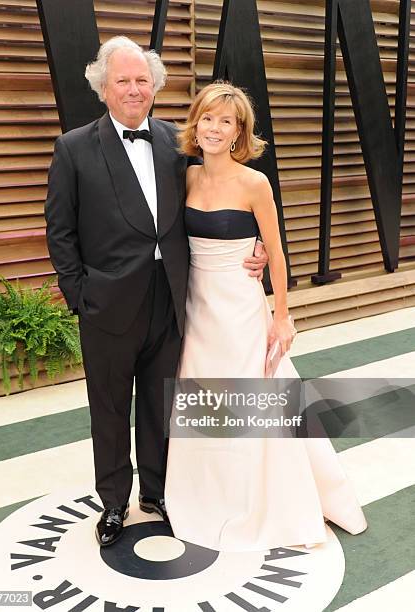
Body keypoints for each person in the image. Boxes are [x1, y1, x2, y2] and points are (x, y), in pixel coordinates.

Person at [44, 37, 266, 547]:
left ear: (155, 86)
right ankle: (114, 503)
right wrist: (81, 295)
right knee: (109, 409)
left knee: (160, 406)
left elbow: (221, 197)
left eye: (142, 80)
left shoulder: (177, 142)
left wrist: (251, 248)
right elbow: (60, 231)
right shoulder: (74, 148)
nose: (133, 89)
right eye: (122, 80)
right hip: (106, 306)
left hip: (171, 300)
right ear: (103, 87)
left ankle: (159, 492)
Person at [164, 82, 367, 551]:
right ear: (197, 123)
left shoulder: (255, 182)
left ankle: (265, 502)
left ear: (239, 132)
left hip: (239, 310)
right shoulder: (188, 177)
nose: (215, 128)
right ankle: (205, 496)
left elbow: (276, 255)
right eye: (208, 118)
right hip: (196, 308)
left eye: (225, 121)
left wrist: (283, 317)